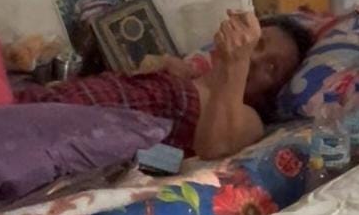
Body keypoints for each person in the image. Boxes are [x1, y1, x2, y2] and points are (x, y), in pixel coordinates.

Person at [19, 12, 312, 160]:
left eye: (272, 68)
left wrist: (237, 62)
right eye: (257, 45)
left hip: (60, 136)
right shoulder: (185, 73)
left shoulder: (247, 118)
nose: (256, 59)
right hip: (46, 103)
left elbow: (215, 151)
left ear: (275, 90)